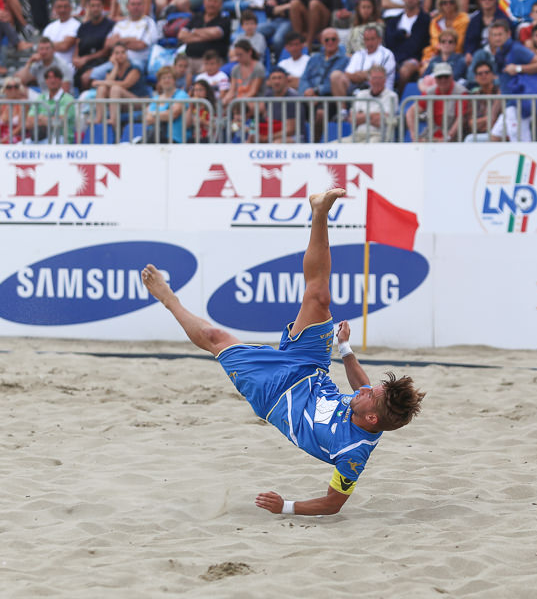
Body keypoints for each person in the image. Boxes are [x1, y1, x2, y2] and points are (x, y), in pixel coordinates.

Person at [140, 189, 426, 517]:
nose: (365, 389)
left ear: (371, 418)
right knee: (318, 296)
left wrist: (286, 507)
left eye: (370, 395)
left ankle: (168, 299)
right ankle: (319, 211)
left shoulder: (352, 454)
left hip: (274, 395)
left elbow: (333, 504)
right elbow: (362, 385)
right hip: (311, 369)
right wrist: (344, 348)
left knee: (214, 338)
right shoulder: (370, 405)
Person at [405, 60, 467, 140]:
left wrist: (448, 137)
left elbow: (461, 118)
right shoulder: (430, 92)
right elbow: (411, 112)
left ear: (452, 76)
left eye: (446, 76)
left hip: (455, 138)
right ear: (435, 79)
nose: (443, 80)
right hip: (431, 135)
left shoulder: (461, 92)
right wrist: (414, 135)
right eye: (439, 77)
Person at [179, 0, 231, 79]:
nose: (212, 4)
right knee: (176, 71)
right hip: (190, 59)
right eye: (209, 1)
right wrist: (207, 36)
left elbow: (216, 33)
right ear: (204, 2)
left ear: (221, 4)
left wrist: (194, 32)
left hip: (211, 62)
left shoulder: (224, 18)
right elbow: (181, 35)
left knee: (202, 78)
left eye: (215, 1)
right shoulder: (197, 16)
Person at [331, 25, 397, 95]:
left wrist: (358, 74)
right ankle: (342, 106)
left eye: (372, 39)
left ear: (379, 39)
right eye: (367, 39)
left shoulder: (387, 54)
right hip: (358, 90)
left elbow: (377, 75)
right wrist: (366, 74)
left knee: (376, 79)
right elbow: (348, 74)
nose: (369, 43)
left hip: (380, 94)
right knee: (336, 76)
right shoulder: (358, 54)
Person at [343, 64, 398, 141]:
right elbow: (352, 118)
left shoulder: (392, 96)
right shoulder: (361, 94)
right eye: (374, 78)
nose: (377, 81)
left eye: (380, 78)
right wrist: (373, 115)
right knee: (333, 146)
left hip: (379, 136)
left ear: (385, 80)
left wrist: (361, 115)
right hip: (358, 135)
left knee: (371, 145)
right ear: (369, 80)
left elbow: (381, 121)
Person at [74, 0, 115, 90]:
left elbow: (105, 51)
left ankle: (85, 103)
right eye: (92, 6)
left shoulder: (110, 25)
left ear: (102, 7)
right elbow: (77, 45)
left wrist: (86, 59)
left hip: (102, 62)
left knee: (86, 78)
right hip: (83, 64)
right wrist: (75, 59)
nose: (95, 9)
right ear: (88, 7)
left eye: (98, 6)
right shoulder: (83, 27)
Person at [24, 66, 75, 143]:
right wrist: (48, 120)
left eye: (55, 77)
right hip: (41, 138)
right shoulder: (40, 98)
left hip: (62, 138)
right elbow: (28, 122)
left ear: (61, 80)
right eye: (49, 78)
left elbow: (59, 122)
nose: (52, 80)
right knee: (19, 145)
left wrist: (40, 118)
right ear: (45, 81)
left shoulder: (68, 99)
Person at [144, 65, 190, 143]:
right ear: (159, 82)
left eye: (169, 77)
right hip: (155, 139)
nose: (166, 80)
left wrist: (154, 114)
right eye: (163, 78)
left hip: (175, 140)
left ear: (174, 80)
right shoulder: (155, 99)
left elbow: (174, 114)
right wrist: (165, 114)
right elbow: (147, 120)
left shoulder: (181, 95)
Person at [300, 27, 350, 97]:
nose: (330, 42)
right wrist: (306, 91)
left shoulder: (345, 60)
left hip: (329, 97)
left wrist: (316, 91)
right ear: (321, 41)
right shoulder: (314, 58)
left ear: (338, 41)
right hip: (309, 96)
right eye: (326, 40)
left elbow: (337, 84)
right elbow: (304, 78)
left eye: (333, 39)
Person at [43, 0, 80, 69]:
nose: (62, 10)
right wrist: (59, 43)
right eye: (59, 7)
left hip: (66, 66)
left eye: (65, 7)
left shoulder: (77, 25)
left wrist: (48, 45)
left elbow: (64, 46)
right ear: (55, 9)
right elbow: (42, 47)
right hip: (46, 65)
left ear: (70, 8)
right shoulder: (49, 27)